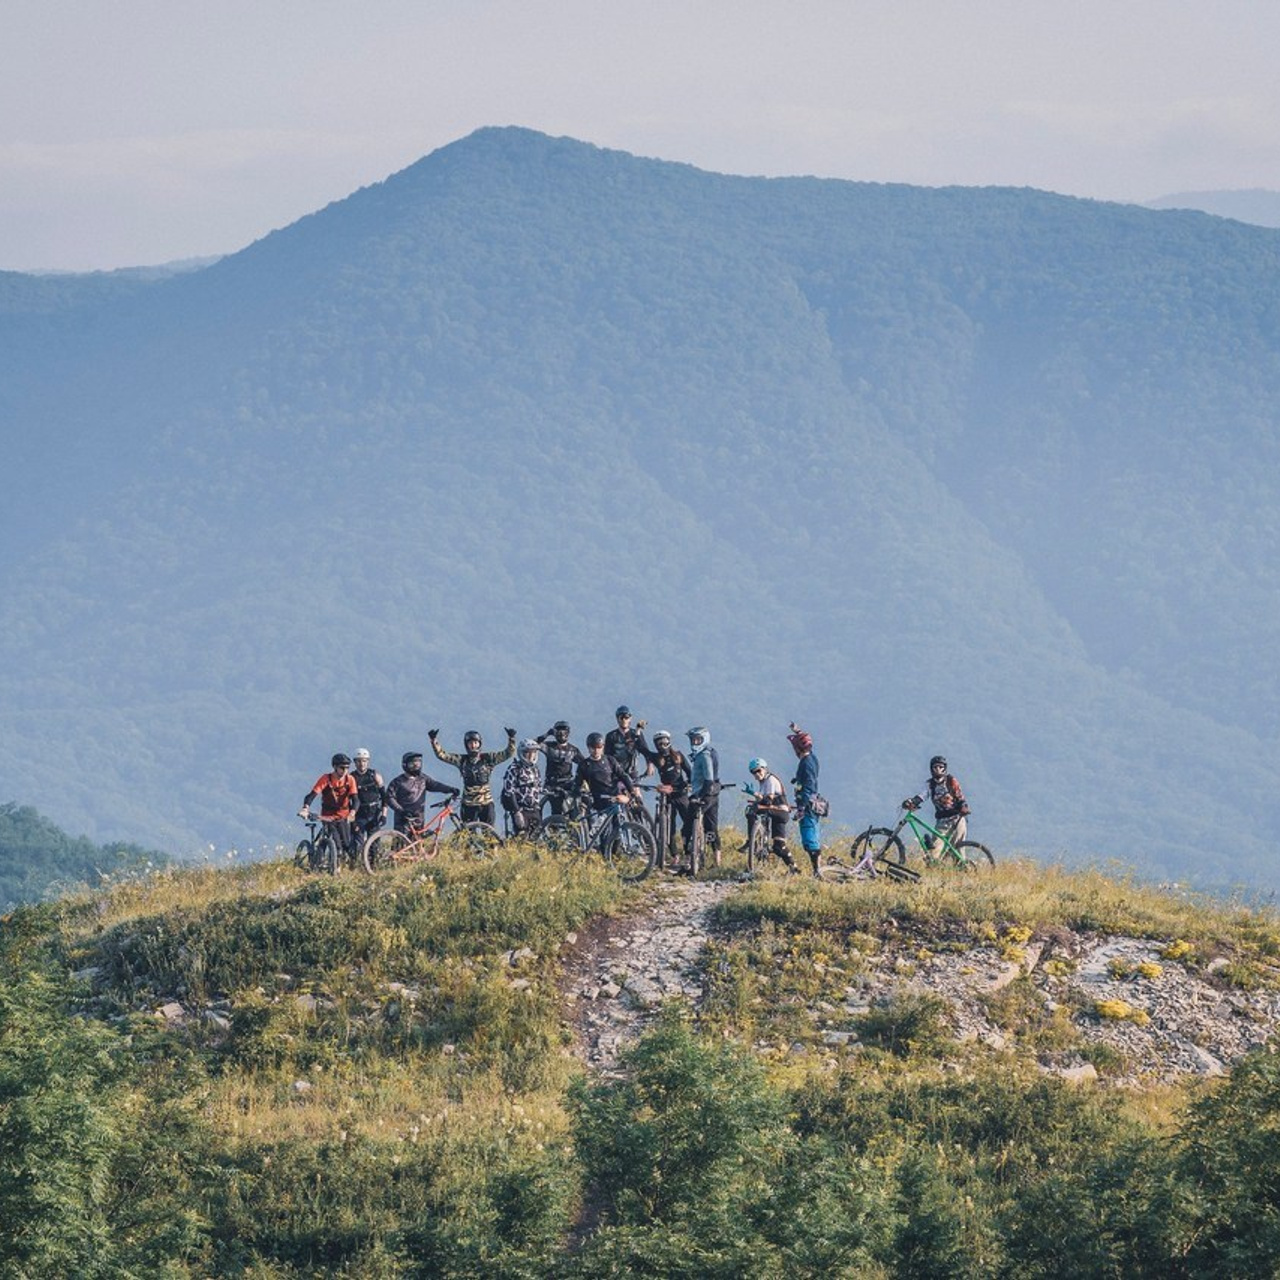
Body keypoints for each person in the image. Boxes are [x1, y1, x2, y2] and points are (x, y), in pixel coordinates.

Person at [430, 726, 516, 827]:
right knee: (469, 834)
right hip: (468, 804)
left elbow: (507, 753)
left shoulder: (488, 759)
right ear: (466, 745)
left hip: (486, 803)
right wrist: (434, 741)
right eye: (470, 743)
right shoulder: (462, 760)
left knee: (489, 833)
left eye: (476, 743)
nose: (473, 745)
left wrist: (512, 739)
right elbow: (443, 755)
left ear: (480, 744)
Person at [638, 728, 691, 861]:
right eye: (659, 743)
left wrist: (688, 784)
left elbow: (690, 772)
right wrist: (638, 732)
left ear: (669, 741)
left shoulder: (678, 756)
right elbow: (642, 748)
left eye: (664, 741)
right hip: (667, 797)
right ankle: (674, 854)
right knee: (669, 827)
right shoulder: (657, 758)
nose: (662, 745)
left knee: (688, 823)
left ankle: (688, 851)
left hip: (681, 794)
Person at [902, 755, 971, 856]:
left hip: (957, 819)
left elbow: (960, 796)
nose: (938, 769)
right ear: (931, 769)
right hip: (942, 821)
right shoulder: (930, 784)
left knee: (957, 850)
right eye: (935, 767)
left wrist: (964, 807)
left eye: (940, 767)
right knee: (934, 851)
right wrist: (912, 801)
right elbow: (922, 795)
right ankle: (935, 868)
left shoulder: (951, 781)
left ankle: (964, 869)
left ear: (945, 768)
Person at [298, 753, 359, 863]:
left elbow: (355, 799)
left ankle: (345, 864)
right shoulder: (326, 779)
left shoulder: (350, 779)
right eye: (342, 768)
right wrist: (305, 808)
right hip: (327, 815)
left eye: (347, 768)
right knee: (337, 843)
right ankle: (332, 866)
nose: (345, 771)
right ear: (335, 767)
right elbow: (312, 795)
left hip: (343, 815)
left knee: (346, 844)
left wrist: (353, 813)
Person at [744, 757, 799, 873]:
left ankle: (751, 840)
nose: (756, 774)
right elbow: (764, 800)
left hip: (780, 812)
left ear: (765, 769)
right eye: (753, 772)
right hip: (776, 812)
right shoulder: (763, 783)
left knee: (751, 811)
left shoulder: (770, 780)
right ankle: (794, 867)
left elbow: (768, 801)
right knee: (779, 847)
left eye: (758, 771)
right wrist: (756, 795)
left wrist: (755, 794)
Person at [384, 751, 457, 833]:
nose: (416, 766)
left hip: (419, 819)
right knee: (401, 845)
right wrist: (401, 811)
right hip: (403, 820)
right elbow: (389, 798)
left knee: (418, 843)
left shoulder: (423, 778)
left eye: (418, 763)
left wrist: (450, 789)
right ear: (405, 765)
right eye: (412, 764)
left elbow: (435, 785)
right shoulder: (397, 782)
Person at [574, 731, 640, 817]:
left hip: (614, 797)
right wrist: (582, 795)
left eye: (599, 747)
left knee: (618, 823)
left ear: (603, 747)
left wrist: (632, 791)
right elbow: (577, 784)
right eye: (593, 747)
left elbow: (623, 776)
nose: (596, 750)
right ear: (588, 747)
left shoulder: (610, 760)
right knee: (598, 827)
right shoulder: (584, 765)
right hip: (597, 800)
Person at [788, 722, 824, 878]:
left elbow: (808, 785)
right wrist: (798, 731)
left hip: (808, 805)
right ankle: (818, 871)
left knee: (810, 840)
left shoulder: (806, 763)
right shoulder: (812, 758)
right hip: (811, 802)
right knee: (812, 836)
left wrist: (801, 807)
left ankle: (817, 871)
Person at [683, 726, 721, 866]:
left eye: (698, 739)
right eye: (693, 740)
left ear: (705, 739)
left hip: (705, 793)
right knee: (711, 826)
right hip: (714, 794)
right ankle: (717, 861)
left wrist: (699, 795)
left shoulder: (704, 755)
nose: (695, 742)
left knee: (687, 826)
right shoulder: (709, 753)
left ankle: (687, 858)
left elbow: (708, 779)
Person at [501, 739, 546, 838]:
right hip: (520, 809)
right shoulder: (514, 769)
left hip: (535, 809)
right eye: (527, 753)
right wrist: (517, 812)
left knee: (535, 839)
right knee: (522, 837)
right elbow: (509, 792)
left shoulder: (535, 769)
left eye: (534, 753)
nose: (531, 756)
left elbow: (539, 787)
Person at [538, 720, 583, 815]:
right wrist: (546, 734)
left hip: (568, 782)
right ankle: (555, 826)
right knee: (556, 810)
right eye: (558, 732)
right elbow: (531, 744)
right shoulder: (549, 746)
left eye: (564, 732)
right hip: (552, 784)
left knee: (580, 802)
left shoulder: (572, 750)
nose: (562, 734)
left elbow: (584, 764)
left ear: (568, 733)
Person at [605, 705, 651, 782]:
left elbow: (645, 750)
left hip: (632, 772)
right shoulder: (611, 736)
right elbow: (607, 756)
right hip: (616, 773)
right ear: (617, 719)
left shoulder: (635, 733)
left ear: (630, 718)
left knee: (636, 792)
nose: (624, 720)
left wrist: (649, 764)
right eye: (621, 717)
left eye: (626, 717)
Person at [351, 748, 386, 849]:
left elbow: (384, 797)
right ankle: (357, 863)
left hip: (374, 814)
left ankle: (373, 864)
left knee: (374, 845)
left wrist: (384, 815)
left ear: (368, 761)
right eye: (359, 761)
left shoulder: (375, 776)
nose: (361, 764)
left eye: (364, 761)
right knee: (357, 844)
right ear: (355, 762)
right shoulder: (351, 777)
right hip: (359, 815)